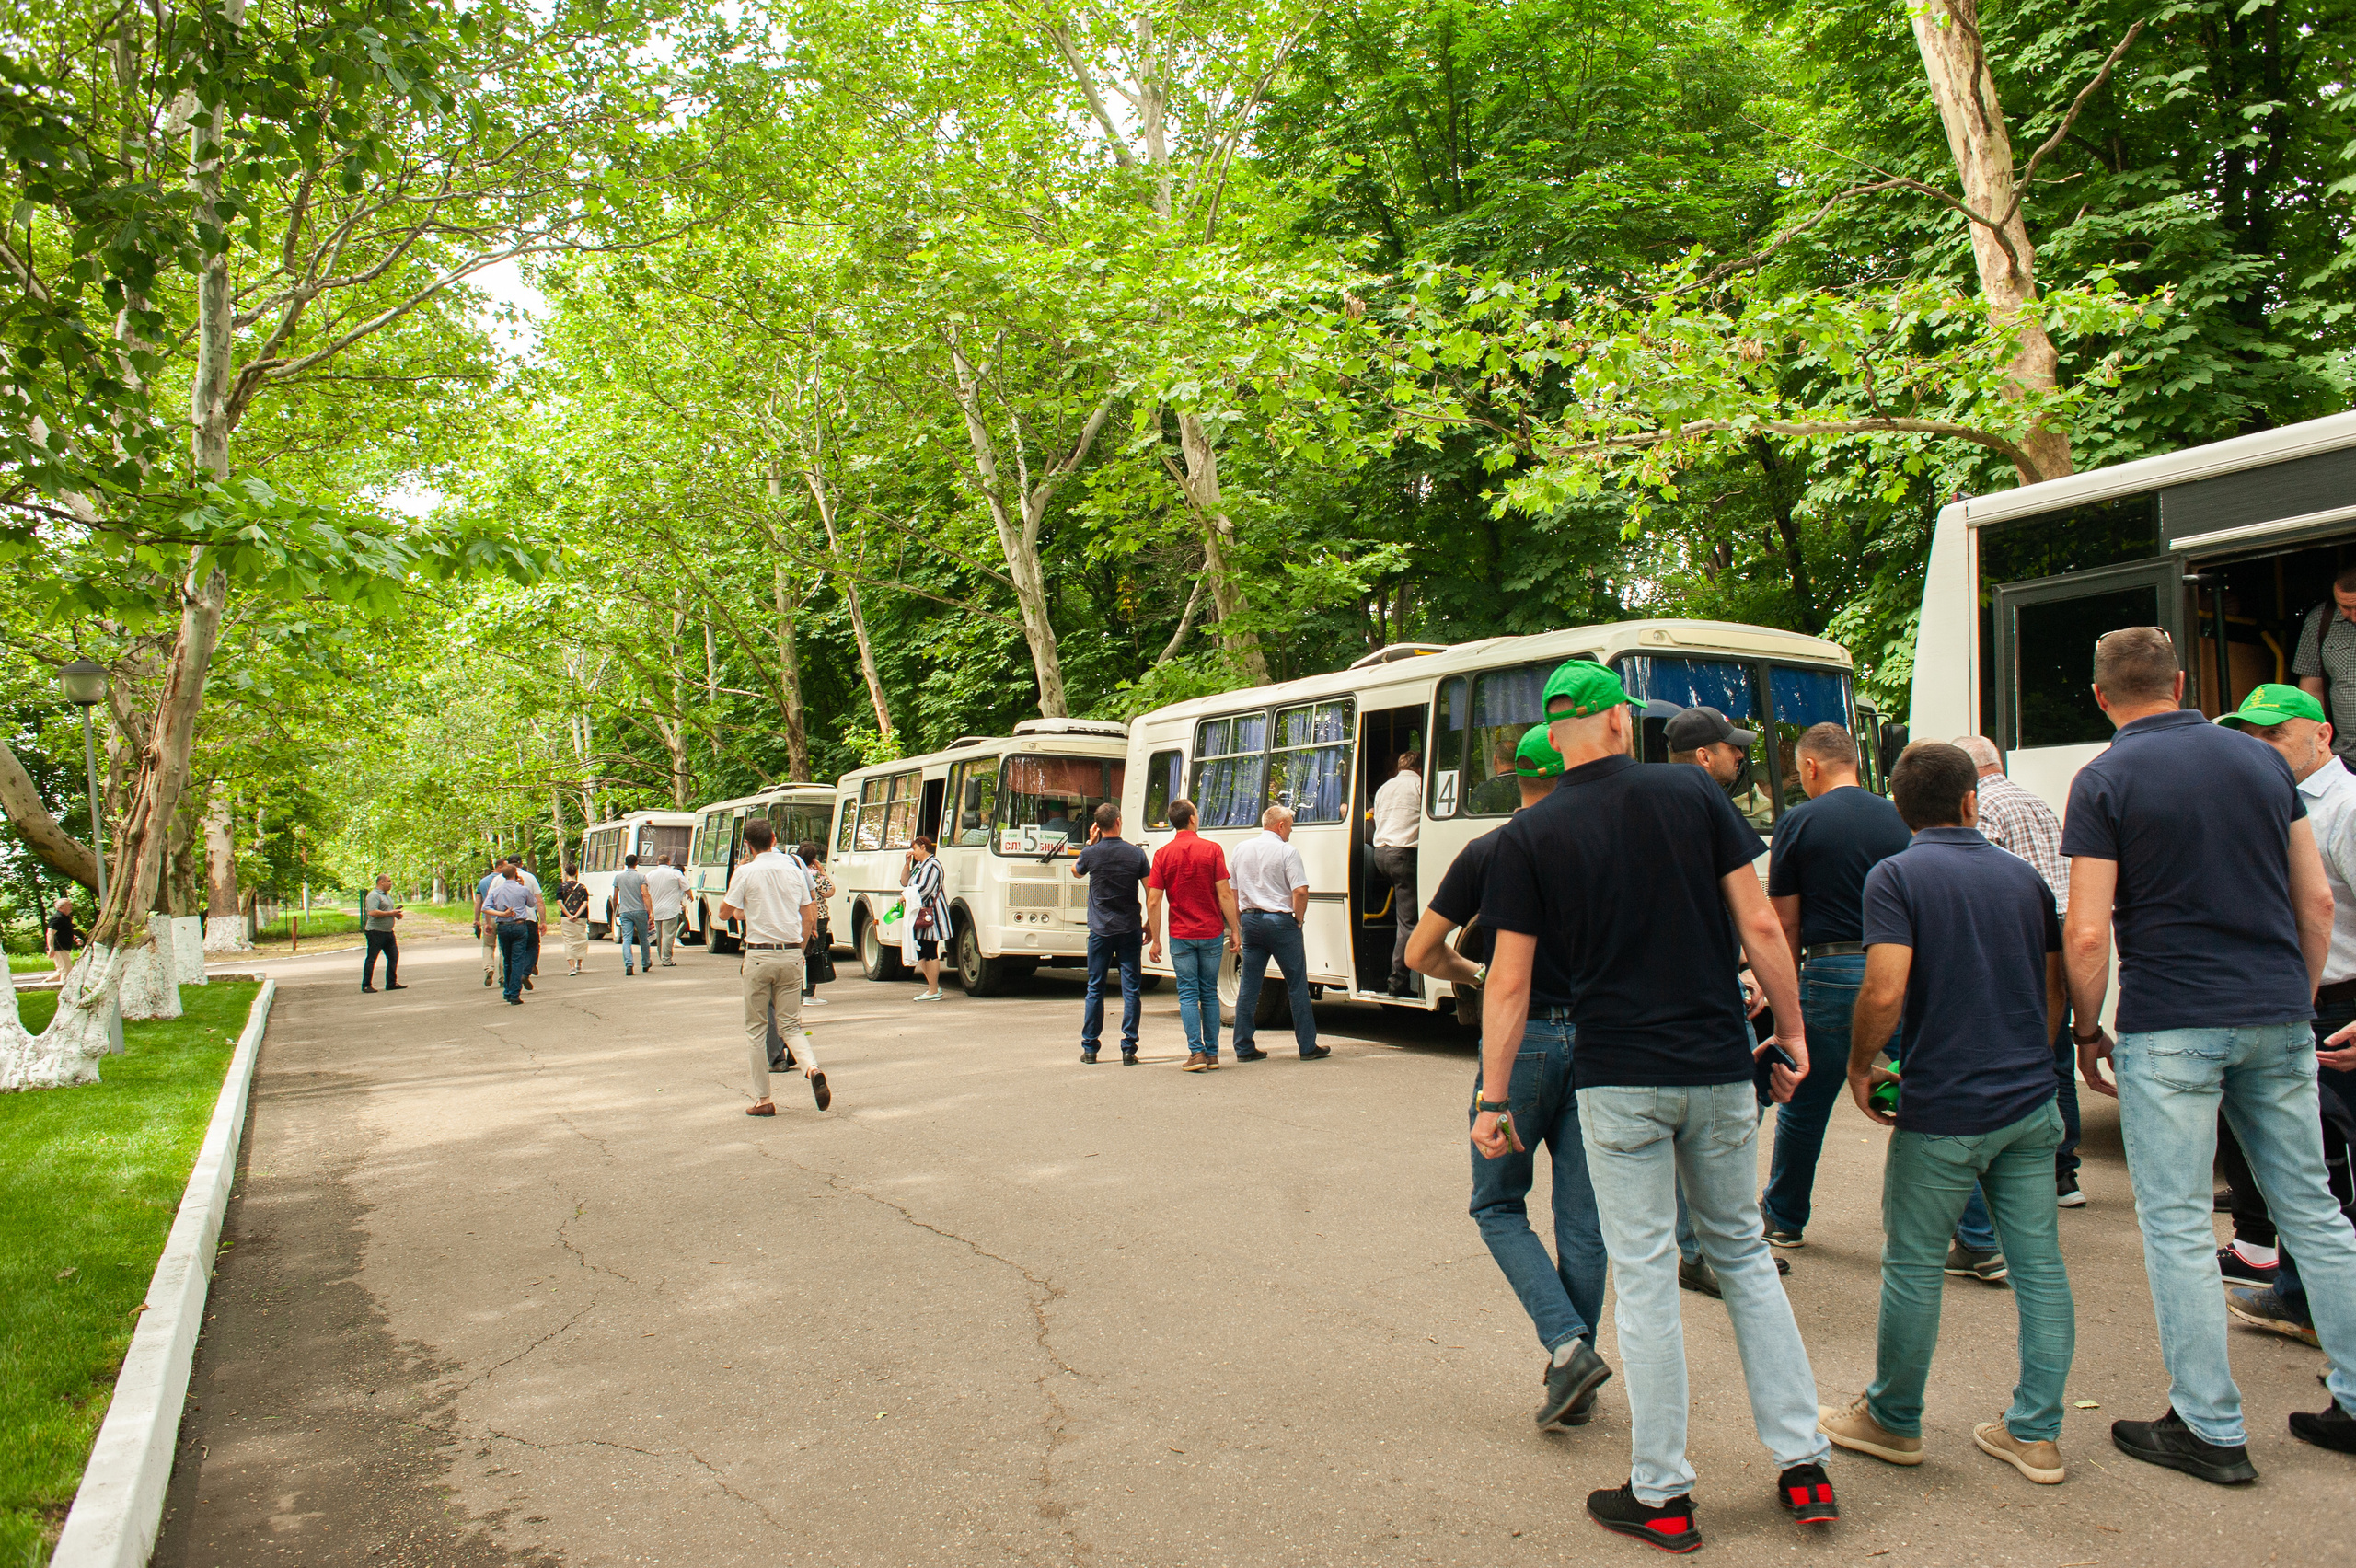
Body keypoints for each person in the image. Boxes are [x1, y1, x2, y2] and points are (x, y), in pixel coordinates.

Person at [1480, 663, 1834, 1552]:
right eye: (1627, 716)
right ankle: (1804, 1468)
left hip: (1618, 1080)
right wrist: (1791, 1036)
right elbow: (1759, 926)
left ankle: (1664, 1494)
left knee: (1643, 1276)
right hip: (1716, 1068)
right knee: (1744, 1258)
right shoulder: (1692, 797)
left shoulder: (1532, 832)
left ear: (1554, 733)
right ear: (1609, 722)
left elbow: (1510, 984)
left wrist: (1493, 1097)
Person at [2062, 628, 2356, 1481]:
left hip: (2173, 1021)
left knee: (2182, 1223)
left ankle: (2210, 1426)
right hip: (2274, 1011)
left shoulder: (2106, 778)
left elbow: (2087, 931)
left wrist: (2088, 1030)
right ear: (2184, 682)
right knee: (2313, 1208)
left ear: (2100, 696)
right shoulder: (2264, 766)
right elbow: (2317, 903)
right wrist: (2293, 998)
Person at [1821, 742, 2075, 1487]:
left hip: (1944, 1109)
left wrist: (1863, 1065)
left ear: (1902, 810)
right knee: (2040, 1268)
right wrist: (2037, 1052)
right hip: (2031, 1104)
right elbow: (2056, 983)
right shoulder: (2024, 879)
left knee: (1912, 1266)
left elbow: (1886, 988)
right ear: (1972, 800)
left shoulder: (1896, 876)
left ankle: (1894, 1419)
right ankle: (2036, 1434)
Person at [1405, 723, 1614, 1433]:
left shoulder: (1491, 850)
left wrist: (1478, 972)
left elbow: (1421, 951)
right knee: (1584, 1220)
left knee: (1497, 1205)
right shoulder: (1609, 846)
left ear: (1513, 776)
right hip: (1602, 1041)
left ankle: (1568, 1349)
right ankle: (1574, 1373)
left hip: (1520, 1040)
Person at [2209, 686, 2356, 1363]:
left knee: (2337, 1176)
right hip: (2302, 1002)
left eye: (2275, 735)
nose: (2259, 748)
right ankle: (2300, 1298)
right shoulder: (2280, 802)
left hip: (2340, 1006)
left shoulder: (2346, 808)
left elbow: (2324, 908)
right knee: (2311, 1166)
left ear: (2322, 735)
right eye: (2251, 736)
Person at [1759, 722, 1912, 1251]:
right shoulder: (1900, 817)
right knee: (1924, 1093)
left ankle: (1783, 1217)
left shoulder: (1798, 823)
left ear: (1810, 767)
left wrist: (1785, 994)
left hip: (1828, 972)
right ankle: (1976, 1236)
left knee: (1805, 1103)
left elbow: (1785, 925)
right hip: (1899, 971)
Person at [1955, 734, 2082, 1205]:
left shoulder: (1982, 807)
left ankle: (2016, 1170)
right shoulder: (2035, 801)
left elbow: (1982, 878)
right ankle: (2063, 1171)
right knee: (2056, 1051)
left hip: (2023, 935)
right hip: (2061, 932)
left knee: (2015, 1050)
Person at [718, 818, 827, 1115]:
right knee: (790, 1025)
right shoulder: (794, 871)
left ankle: (763, 1099)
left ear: (747, 845)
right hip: (791, 954)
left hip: (758, 955)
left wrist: (742, 904)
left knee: (756, 1030)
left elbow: (725, 912)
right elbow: (809, 916)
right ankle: (811, 1067)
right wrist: (801, 950)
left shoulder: (745, 872)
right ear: (775, 838)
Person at [1146, 799, 1242, 1071]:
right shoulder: (1212, 850)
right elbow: (1224, 893)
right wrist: (1234, 929)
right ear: (1191, 819)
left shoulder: (1163, 855)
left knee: (1188, 994)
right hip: (1211, 932)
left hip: (1181, 934)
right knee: (1209, 992)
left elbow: (1153, 901)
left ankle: (1196, 1053)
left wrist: (1156, 939)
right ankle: (1212, 1054)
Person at [1228, 805, 1329, 1062]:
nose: (1291, 830)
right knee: (1296, 985)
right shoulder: (1287, 851)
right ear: (1280, 825)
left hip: (1251, 921)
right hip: (1281, 923)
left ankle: (1243, 1046)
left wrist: (1241, 918)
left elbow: (1233, 890)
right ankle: (1307, 1046)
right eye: (1291, 825)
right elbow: (1301, 891)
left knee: (1249, 985)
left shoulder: (1241, 849)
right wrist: (1298, 918)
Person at [1072, 803, 1149, 1064]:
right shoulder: (1136, 854)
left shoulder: (1090, 853)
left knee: (1095, 988)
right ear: (1118, 821)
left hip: (1100, 930)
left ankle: (1090, 1048)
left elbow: (1076, 872)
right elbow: (1151, 891)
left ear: (1098, 825)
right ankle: (1129, 1048)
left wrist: (1089, 842)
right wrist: (1150, 923)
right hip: (1129, 928)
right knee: (1131, 990)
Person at [1369, 750, 1423, 997]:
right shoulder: (1420, 785)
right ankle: (1398, 983)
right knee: (1409, 922)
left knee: (1402, 916)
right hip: (1404, 855)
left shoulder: (1384, 788)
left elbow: (1378, 821)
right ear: (1420, 768)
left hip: (1381, 855)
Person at [1665, 705, 1772, 826]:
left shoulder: (1669, 807)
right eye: (1731, 748)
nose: (1740, 754)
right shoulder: (1704, 813)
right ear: (1704, 757)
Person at [2293, 562, 2356, 767]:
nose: (2353, 615)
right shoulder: (2321, 620)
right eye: (2345, 607)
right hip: (2346, 759)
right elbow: (2312, 691)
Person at [903, 836, 951, 1000]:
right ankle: (933, 988)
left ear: (923, 847)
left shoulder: (933, 865)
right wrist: (907, 863)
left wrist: (905, 898)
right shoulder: (919, 866)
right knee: (922, 949)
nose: (913, 853)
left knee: (930, 949)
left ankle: (933, 989)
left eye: (915, 849)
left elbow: (925, 889)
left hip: (932, 914)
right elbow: (905, 882)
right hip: (921, 914)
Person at [482, 865, 537, 1006]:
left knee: (506, 959)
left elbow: (485, 908)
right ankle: (514, 993)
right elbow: (532, 903)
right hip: (519, 926)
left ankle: (507, 990)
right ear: (515, 874)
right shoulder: (522, 889)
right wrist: (522, 886)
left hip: (503, 926)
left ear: (502, 875)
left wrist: (501, 914)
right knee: (517, 959)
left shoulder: (496, 890)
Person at [798, 843, 835, 1007]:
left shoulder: (794, 873)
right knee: (813, 953)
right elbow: (830, 891)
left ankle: (798, 991)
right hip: (817, 917)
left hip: (798, 916)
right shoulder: (814, 874)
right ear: (813, 859)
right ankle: (809, 993)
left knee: (799, 953)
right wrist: (822, 871)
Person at [362, 874, 407, 993]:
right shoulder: (374, 896)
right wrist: (391, 913)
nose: (391, 883)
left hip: (388, 932)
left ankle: (391, 983)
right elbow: (373, 912)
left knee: (394, 956)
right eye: (389, 881)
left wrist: (396, 914)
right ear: (381, 882)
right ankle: (366, 984)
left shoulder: (387, 895)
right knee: (372, 958)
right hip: (376, 932)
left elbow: (387, 911)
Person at [647, 852, 690, 967]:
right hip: (671, 909)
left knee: (660, 935)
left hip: (656, 909)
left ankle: (662, 957)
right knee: (668, 935)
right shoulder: (675, 873)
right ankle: (666, 959)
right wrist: (690, 895)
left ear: (657, 863)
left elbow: (645, 891)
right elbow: (686, 886)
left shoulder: (650, 875)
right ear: (669, 862)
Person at [613, 853, 652, 976]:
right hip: (640, 910)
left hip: (625, 911)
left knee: (627, 939)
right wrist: (650, 911)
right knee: (643, 938)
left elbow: (615, 896)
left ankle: (629, 964)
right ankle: (645, 963)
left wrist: (615, 910)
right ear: (637, 863)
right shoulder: (641, 877)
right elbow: (645, 894)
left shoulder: (618, 878)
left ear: (625, 863)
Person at [473, 858, 503, 987]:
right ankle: (503, 976)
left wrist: (477, 920)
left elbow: (478, 902)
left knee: (488, 946)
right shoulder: (505, 880)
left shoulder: (483, 882)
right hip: (503, 917)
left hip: (488, 917)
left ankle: (489, 967)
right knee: (503, 948)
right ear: (500, 867)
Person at [556, 863, 590, 976]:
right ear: (576, 873)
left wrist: (569, 915)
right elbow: (585, 902)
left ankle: (571, 967)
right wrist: (577, 914)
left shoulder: (561, 887)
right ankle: (579, 963)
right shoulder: (582, 887)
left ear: (565, 873)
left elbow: (559, 902)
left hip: (566, 918)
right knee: (580, 939)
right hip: (581, 917)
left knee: (569, 941)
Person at [45, 896, 79, 980]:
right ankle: (65, 991)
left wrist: (75, 938)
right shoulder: (57, 918)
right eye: (68, 905)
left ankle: (43, 985)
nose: (71, 906)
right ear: (60, 908)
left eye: (70, 904)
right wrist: (51, 948)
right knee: (66, 971)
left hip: (63, 948)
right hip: (58, 948)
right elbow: (50, 934)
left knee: (61, 971)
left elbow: (66, 932)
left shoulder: (66, 918)